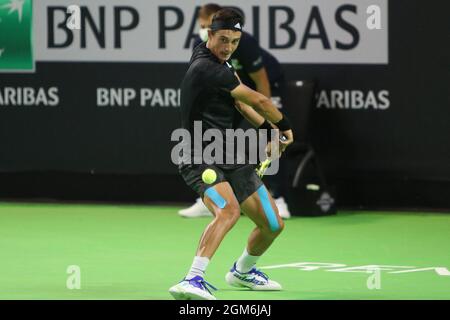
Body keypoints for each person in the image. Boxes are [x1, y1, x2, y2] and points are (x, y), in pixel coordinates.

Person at [169, 8, 294, 300]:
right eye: (223, 39)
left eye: (235, 42)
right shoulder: (206, 67)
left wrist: (267, 131)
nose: (228, 47)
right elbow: (259, 99)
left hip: (230, 152)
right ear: (209, 34)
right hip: (197, 154)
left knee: (273, 224)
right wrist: (284, 127)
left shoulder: (220, 63)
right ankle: (192, 279)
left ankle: (243, 271)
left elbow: (239, 104)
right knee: (229, 211)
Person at [178, 3, 292, 219]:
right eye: (202, 26)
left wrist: (269, 119)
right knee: (222, 136)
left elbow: (261, 81)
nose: (203, 29)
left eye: (207, 23)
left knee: (275, 136)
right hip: (234, 90)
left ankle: (278, 197)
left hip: (265, 86)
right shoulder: (202, 46)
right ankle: (212, 195)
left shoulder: (245, 42)